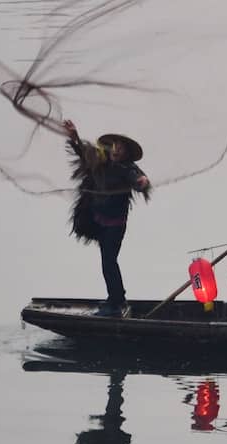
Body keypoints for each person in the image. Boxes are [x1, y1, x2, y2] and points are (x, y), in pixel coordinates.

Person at [62, 119, 151, 317]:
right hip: (98, 220)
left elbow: (138, 181)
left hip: (115, 226)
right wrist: (74, 137)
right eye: (115, 146)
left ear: (126, 153)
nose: (117, 150)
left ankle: (116, 302)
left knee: (109, 262)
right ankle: (116, 299)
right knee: (107, 262)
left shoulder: (128, 169)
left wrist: (142, 182)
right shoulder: (101, 162)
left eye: (121, 148)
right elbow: (84, 154)